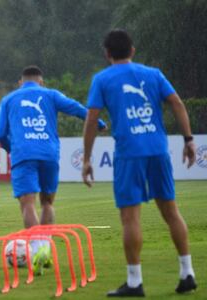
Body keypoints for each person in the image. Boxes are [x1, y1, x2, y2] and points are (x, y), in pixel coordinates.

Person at [82, 29, 197, 297]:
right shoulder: (153, 74)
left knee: (130, 217)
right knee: (171, 211)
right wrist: (188, 140)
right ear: (132, 50)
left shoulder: (102, 79)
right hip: (158, 149)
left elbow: (91, 119)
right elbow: (177, 104)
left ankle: (134, 281)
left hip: (129, 153)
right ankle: (187, 272)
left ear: (107, 54)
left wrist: (87, 159)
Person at [0, 65, 106, 275]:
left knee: (28, 204)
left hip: (24, 155)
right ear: (41, 81)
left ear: (20, 82)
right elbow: (76, 108)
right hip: (49, 154)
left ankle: (37, 250)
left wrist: (14, 149)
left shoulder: (9, 99)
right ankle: (44, 249)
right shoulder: (51, 94)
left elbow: (0, 134)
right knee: (47, 202)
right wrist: (98, 123)